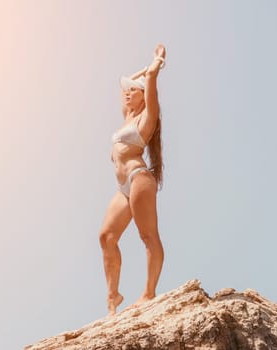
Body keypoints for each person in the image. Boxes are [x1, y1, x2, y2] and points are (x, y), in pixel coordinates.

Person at [99, 44, 166, 316]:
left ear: (143, 98)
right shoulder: (127, 116)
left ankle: (149, 293)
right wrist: (135, 78)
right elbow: (125, 82)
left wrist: (153, 69)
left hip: (139, 179)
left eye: (133, 91)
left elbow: (150, 86)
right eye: (127, 90)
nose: (127, 93)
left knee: (148, 236)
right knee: (106, 237)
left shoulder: (146, 119)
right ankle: (113, 295)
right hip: (123, 189)